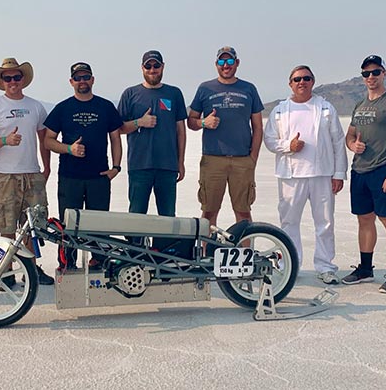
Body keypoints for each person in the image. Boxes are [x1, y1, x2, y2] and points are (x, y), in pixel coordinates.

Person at [264, 65, 347, 284]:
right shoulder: (280, 111)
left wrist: (339, 173)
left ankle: (325, 266)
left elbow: (338, 142)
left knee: (325, 222)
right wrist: (288, 145)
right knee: (289, 222)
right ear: (290, 83)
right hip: (291, 176)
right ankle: (290, 265)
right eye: (297, 79)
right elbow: (270, 140)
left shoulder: (326, 108)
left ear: (313, 81)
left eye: (306, 78)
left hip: (322, 174)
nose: (302, 82)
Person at [0, 57, 54, 285]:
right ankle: (3, 270)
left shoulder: (35, 106)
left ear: (23, 79)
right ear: (2, 81)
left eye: (16, 77)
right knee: (6, 227)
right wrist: (5, 140)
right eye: (7, 77)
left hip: (32, 173)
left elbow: (44, 139)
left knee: (33, 226)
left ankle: (31, 269)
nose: (12, 81)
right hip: (5, 176)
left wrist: (47, 166)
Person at [342, 55, 386, 293]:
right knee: (364, 219)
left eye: (375, 72)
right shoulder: (359, 106)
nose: (370, 77)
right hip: (360, 170)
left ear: (384, 73)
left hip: (384, 170)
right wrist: (353, 146)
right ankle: (365, 268)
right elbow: (349, 136)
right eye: (366, 74)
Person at [44, 62, 123, 268]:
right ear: (71, 82)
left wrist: (116, 167)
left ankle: (99, 261)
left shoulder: (105, 107)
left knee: (98, 224)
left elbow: (115, 138)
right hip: (71, 177)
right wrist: (69, 149)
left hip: (99, 176)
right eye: (78, 78)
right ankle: (67, 263)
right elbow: (48, 140)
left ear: (93, 79)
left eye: (86, 77)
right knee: (68, 224)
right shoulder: (62, 108)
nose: (82, 81)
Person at [188, 46, 263, 227]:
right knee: (209, 212)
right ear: (216, 64)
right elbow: (191, 121)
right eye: (222, 61)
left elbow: (258, 127)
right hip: (213, 160)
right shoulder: (205, 88)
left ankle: (246, 253)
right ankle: (206, 254)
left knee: (243, 212)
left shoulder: (249, 89)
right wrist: (204, 123)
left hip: (242, 160)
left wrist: (252, 158)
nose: (226, 65)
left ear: (237, 63)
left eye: (230, 61)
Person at [118, 50, 187, 217]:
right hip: (140, 166)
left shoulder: (174, 93)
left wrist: (180, 162)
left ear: (162, 67)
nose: (152, 69)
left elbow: (181, 130)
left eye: (156, 65)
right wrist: (139, 122)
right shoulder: (130, 94)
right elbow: (119, 128)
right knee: (137, 215)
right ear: (142, 68)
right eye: (148, 66)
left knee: (168, 216)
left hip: (167, 166)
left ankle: (164, 244)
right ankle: (136, 243)